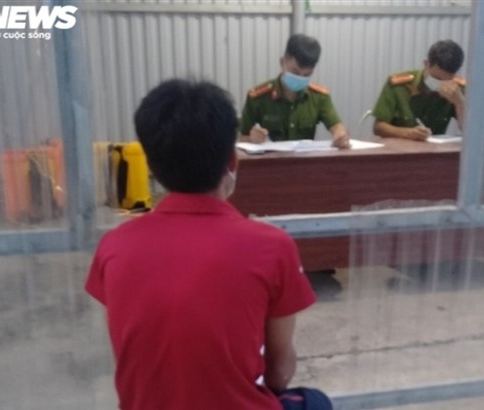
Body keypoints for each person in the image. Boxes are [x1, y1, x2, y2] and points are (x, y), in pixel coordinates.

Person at [85, 79, 331, 410]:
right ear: (232, 161)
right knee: (316, 403)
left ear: (152, 165)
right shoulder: (273, 247)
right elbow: (278, 373)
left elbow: (133, 357)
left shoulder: (113, 247)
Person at [240, 34, 351, 149]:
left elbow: (337, 127)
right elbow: (242, 138)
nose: (300, 78)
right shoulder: (257, 97)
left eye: (306, 75)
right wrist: (251, 139)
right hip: (271, 159)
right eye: (295, 72)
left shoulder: (319, 97)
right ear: (282, 63)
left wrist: (340, 135)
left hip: (304, 159)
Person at [372, 40, 466, 140]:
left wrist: (459, 103)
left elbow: (469, 131)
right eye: (436, 78)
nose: (440, 85)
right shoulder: (399, 85)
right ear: (426, 64)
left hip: (435, 148)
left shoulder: (456, 90)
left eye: (446, 81)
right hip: (400, 146)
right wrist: (407, 133)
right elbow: (378, 127)